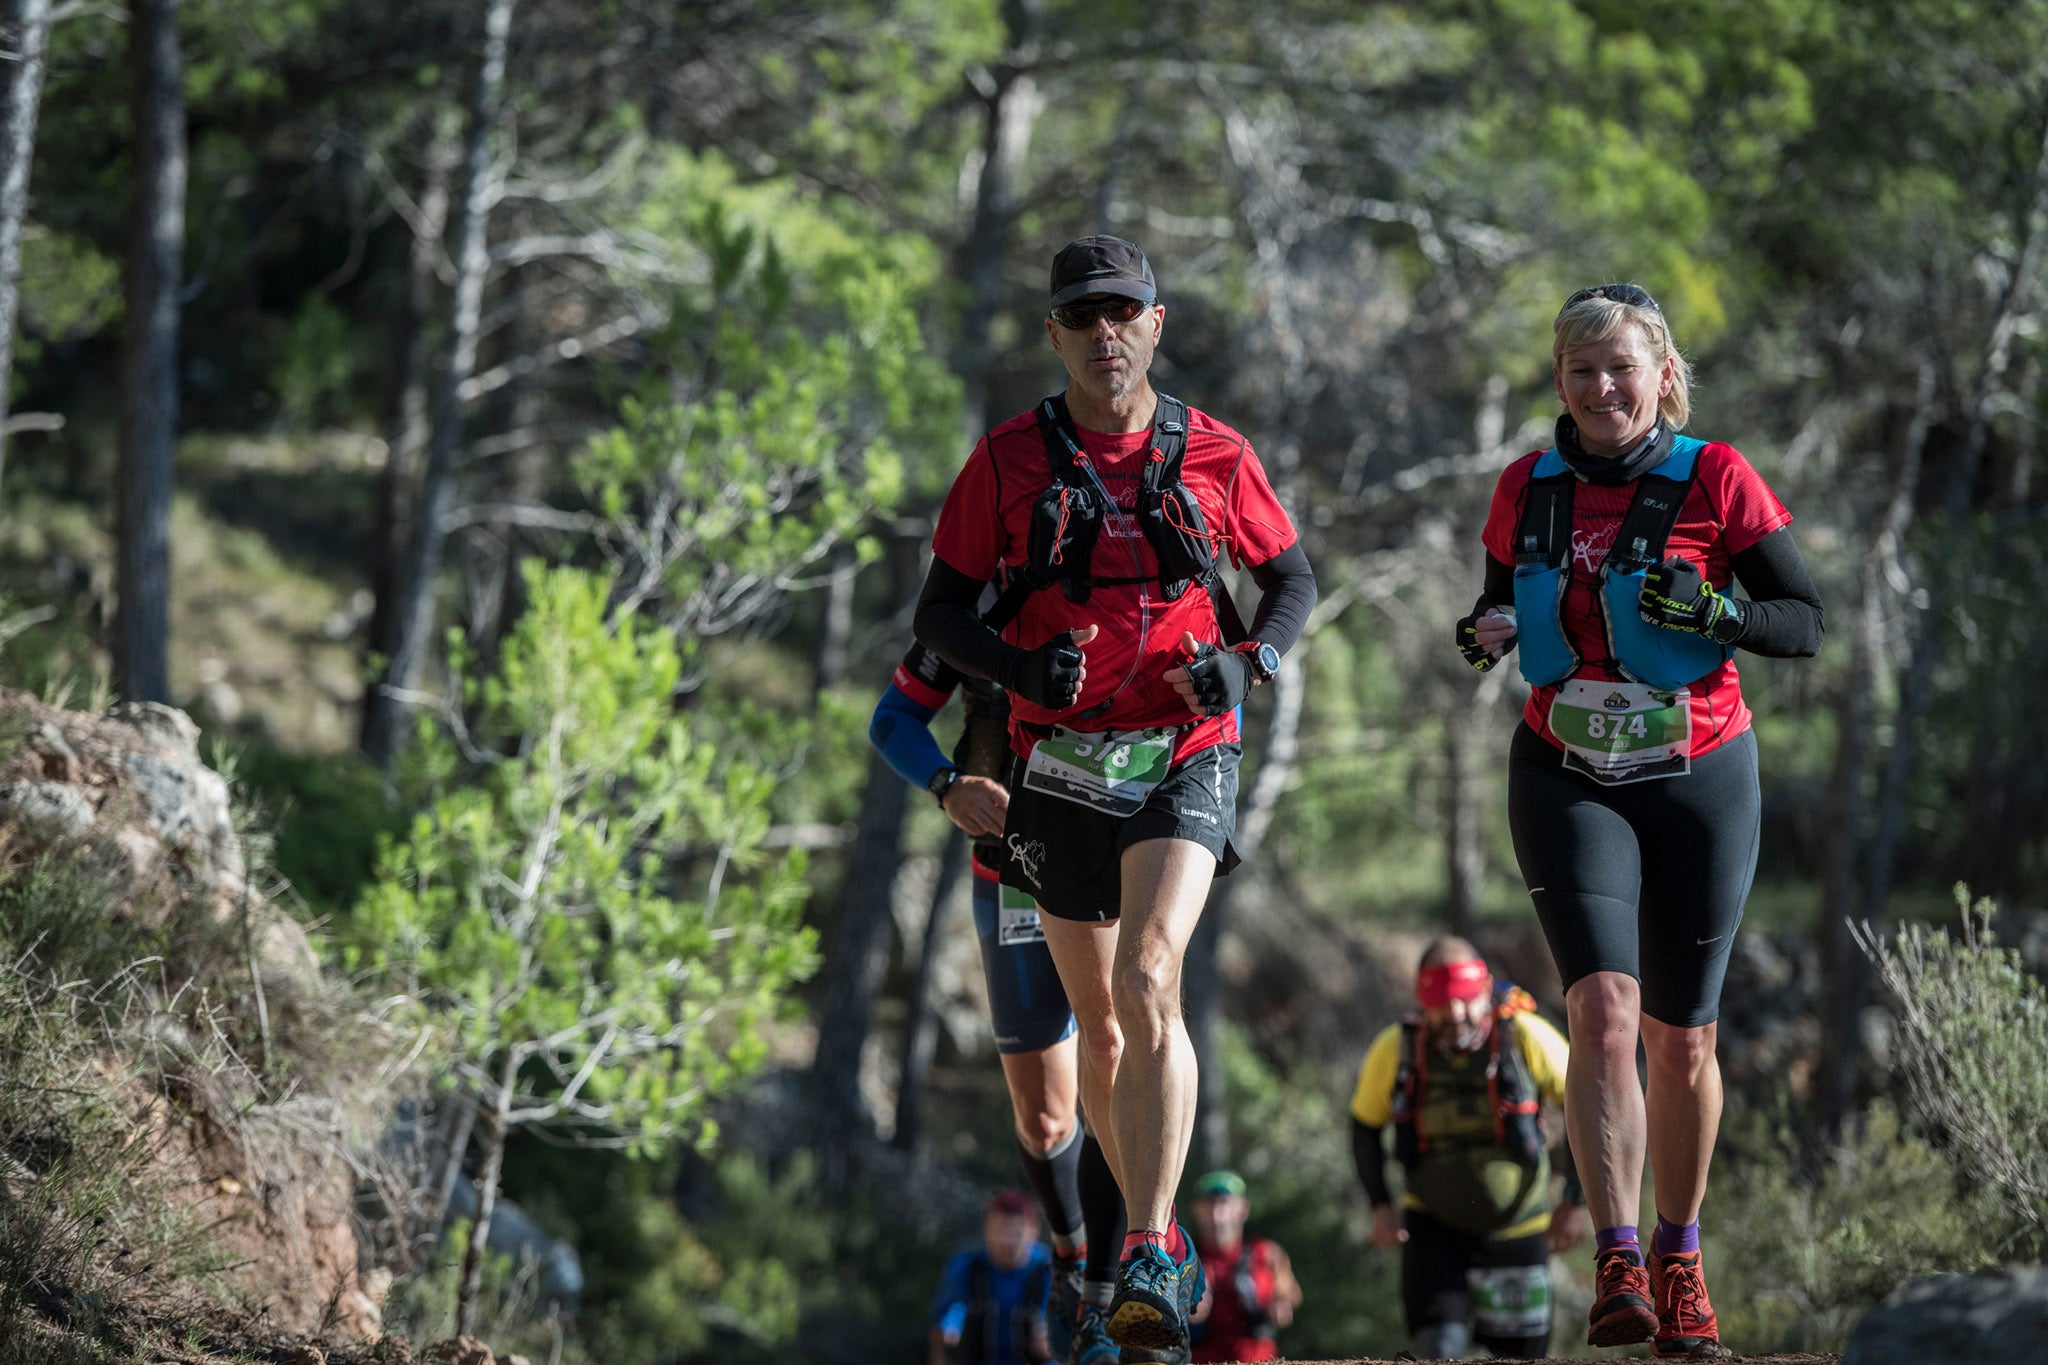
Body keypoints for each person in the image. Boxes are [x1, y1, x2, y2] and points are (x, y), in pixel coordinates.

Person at [914, 234, 1317, 1362]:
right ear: (1055, 335)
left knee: (1151, 976)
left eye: (1122, 313)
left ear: (1154, 323)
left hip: (1186, 748)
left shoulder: (1215, 454)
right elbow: (938, 617)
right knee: (1098, 1026)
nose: (1104, 334)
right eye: (1081, 317)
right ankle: (1109, 1260)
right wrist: (1012, 671)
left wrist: (1248, 666)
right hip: (1058, 768)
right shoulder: (1004, 462)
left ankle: (1148, 1244)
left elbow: (1288, 581)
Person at [1454, 283, 1824, 1357]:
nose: (1600, 389)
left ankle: (1677, 1251)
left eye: (1619, 368)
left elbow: (1800, 620)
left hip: (1697, 772)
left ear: (1660, 372)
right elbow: (1495, 607)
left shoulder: (1714, 476)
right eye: (1579, 372)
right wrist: (1480, 632)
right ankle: (1614, 1256)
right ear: (1558, 383)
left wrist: (1719, 614)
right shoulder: (1523, 486)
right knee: (1602, 1013)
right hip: (1565, 768)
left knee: (1680, 1037)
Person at [869, 640, 1128, 1365]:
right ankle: (1075, 1254)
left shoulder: (1122, 574)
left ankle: (1126, 1268)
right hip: (1009, 871)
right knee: (1046, 1116)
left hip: (1106, 861)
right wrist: (948, 783)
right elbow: (892, 719)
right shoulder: (974, 606)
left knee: (1114, 1054)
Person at [1349, 939, 1588, 1359]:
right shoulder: (1397, 1048)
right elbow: (1365, 1125)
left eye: (1465, 999)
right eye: (1440, 1002)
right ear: (1421, 1000)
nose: (1455, 1014)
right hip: (1433, 1231)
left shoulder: (1524, 1035)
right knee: (1437, 1351)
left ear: (1487, 989)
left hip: (1518, 1230)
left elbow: (1586, 1104)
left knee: (1521, 1359)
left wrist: (1576, 1199)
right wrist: (1380, 1204)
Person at [1185, 1170, 1301, 1363]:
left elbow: (1291, 1293)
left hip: (1258, 1359)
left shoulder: (1267, 1253)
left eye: (1225, 1203)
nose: (1217, 1214)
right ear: (1195, 1209)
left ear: (1243, 1208)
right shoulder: (1182, 1258)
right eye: (1208, 1204)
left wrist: (1281, 1305)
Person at [931, 1189, 1056, 1365]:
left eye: (1016, 1233)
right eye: (999, 1230)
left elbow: (1063, 1326)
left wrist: (1052, 1340)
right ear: (987, 1229)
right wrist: (950, 1327)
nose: (1007, 1241)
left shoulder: (1049, 1271)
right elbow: (949, 1313)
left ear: (1033, 1231)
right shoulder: (968, 1266)